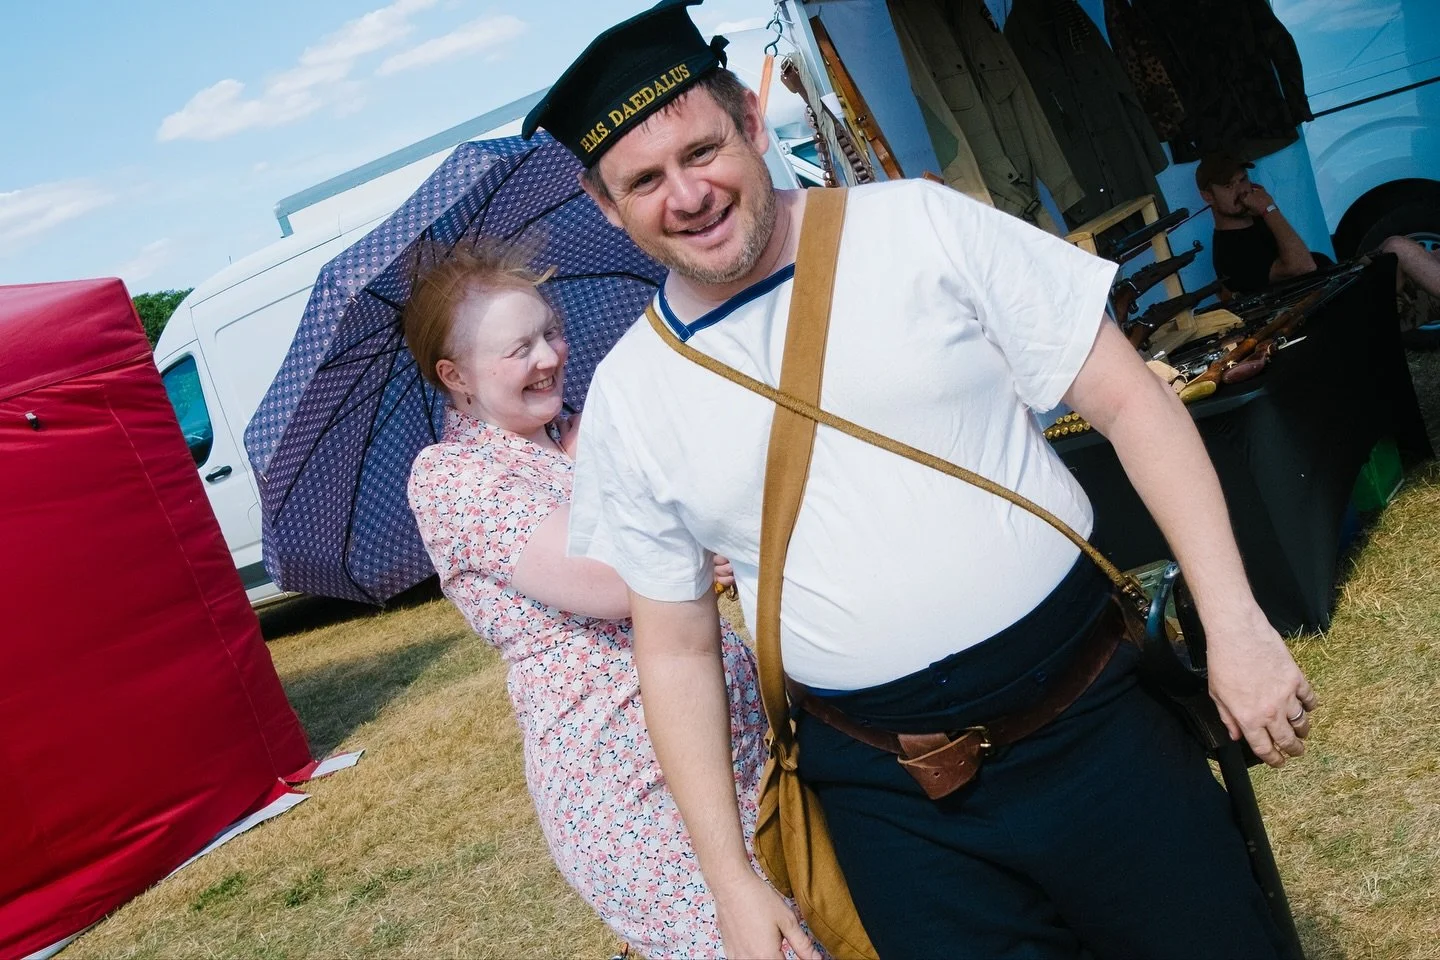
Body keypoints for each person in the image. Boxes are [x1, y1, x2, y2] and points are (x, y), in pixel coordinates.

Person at [525, 3, 1317, 957]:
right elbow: (677, 649)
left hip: (1096, 721)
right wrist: (730, 879)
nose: (687, 195)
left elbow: (1128, 402)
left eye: (702, 151)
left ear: (745, 115)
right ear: (606, 205)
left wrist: (1235, 624)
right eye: (643, 181)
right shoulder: (629, 398)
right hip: (890, 804)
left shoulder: (922, 225)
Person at [401, 241, 768, 959]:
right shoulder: (450, 478)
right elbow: (608, 581)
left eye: (549, 332)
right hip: (631, 783)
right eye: (519, 349)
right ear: (457, 377)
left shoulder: (589, 428)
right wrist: (698, 539)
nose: (549, 357)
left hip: (740, 747)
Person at [1197, 152, 1323, 294]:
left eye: (1243, 179)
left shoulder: (1260, 217)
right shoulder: (1229, 255)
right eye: (1228, 186)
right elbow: (1303, 267)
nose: (1242, 191)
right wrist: (1268, 209)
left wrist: (1267, 211)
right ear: (1208, 196)